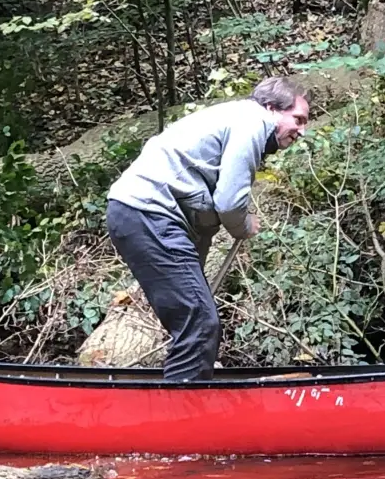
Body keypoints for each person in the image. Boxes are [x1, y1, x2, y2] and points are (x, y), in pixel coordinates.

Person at [105, 76, 310, 381]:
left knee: (196, 319)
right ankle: (180, 417)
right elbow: (228, 203)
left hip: (138, 214)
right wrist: (242, 226)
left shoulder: (234, 118)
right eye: (298, 119)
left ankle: (188, 394)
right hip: (147, 213)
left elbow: (199, 213)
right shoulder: (252, 123)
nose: (302, 131)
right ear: (271, 108)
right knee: (199, 322)